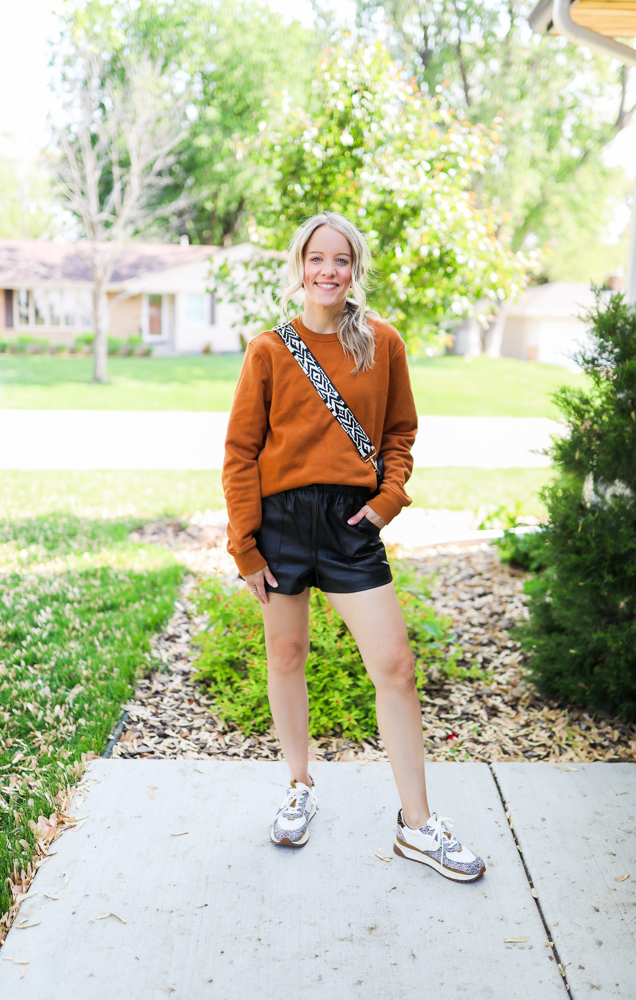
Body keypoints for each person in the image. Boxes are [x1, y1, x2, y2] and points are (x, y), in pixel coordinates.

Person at [222, 211, 485, 882]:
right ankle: (299, 786)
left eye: (341, 260)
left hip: (350, 524)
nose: (328, 271)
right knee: (285, 654)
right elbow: (241, 452)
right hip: (280, 522)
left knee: (394, 666)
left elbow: (399, 433)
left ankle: (417, 826)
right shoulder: (269, 349)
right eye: (317, 259)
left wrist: (385, 501)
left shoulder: (382, 342)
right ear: (299, 266)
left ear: (354, 267)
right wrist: (245, 546)